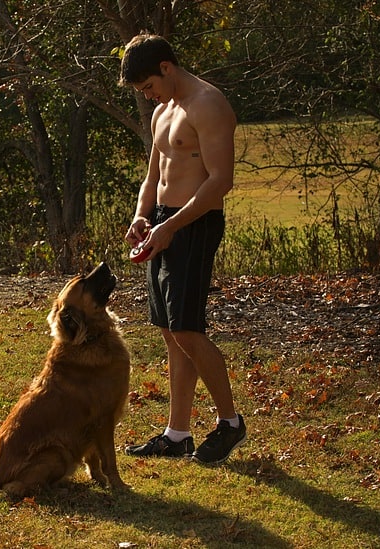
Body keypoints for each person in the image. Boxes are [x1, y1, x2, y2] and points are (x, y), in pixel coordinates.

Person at [120, 33, 246, 464]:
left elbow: (220, 182)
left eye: (149, 86)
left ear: (167, 68)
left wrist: (171, 226)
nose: (149, 95)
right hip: (164, 225)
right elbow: (153, 177)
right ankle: (177, 434)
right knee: (171, 332)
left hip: (194, 225)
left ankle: (230, 423)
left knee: (187, 328)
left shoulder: (209, 105)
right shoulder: (162, 112)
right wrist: (143, 217)